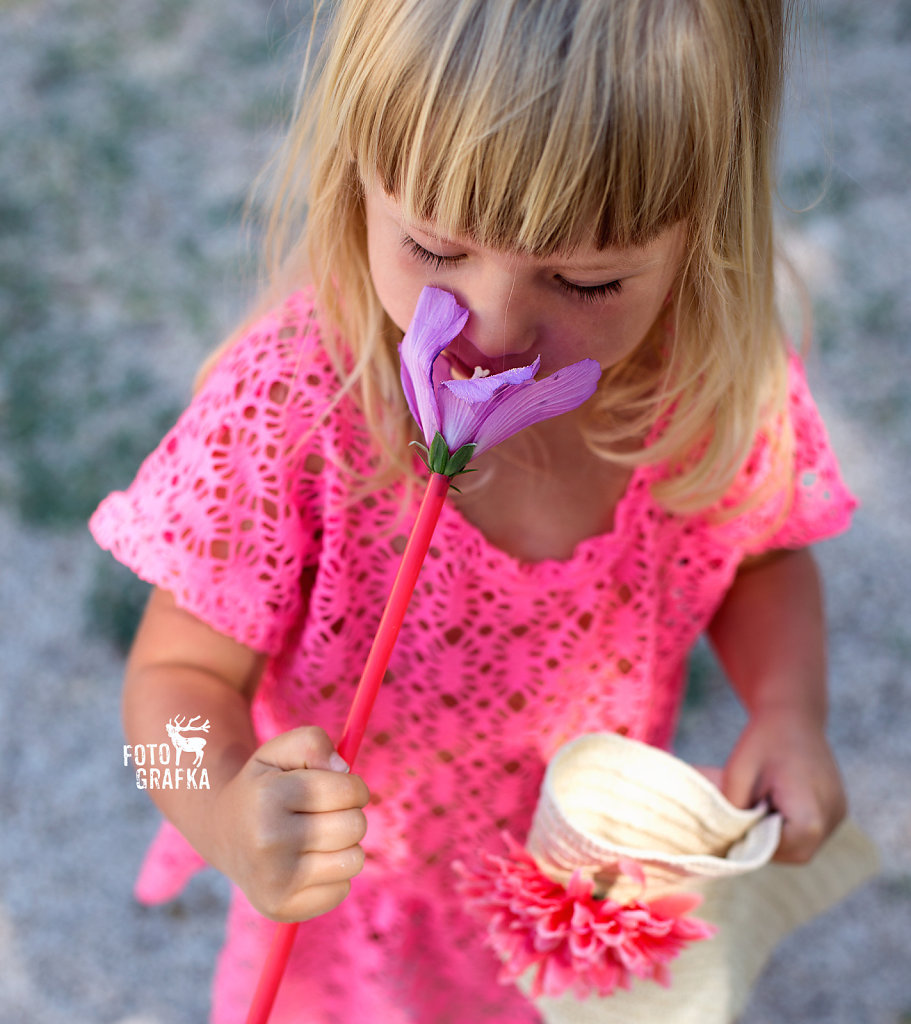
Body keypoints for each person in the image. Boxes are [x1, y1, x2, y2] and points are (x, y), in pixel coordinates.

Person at [90, 1, 856, 1021]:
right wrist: (226, 810)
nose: (490, 333)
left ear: (699, 230)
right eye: (435, 252)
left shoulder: (710, 388)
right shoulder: (291, 413)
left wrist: (785, 708)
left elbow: (758, 556)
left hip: (578, 898)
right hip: (352, 943)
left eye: (586, 280)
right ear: (357, 178)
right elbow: (162, 703)